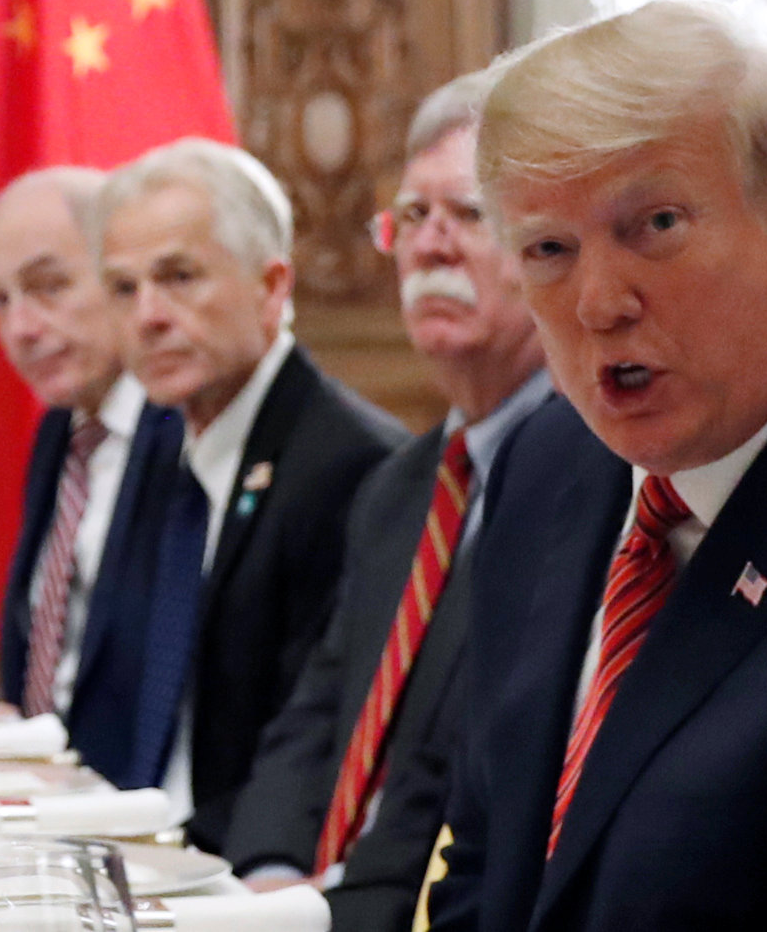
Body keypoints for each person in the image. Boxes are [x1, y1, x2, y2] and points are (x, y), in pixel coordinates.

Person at [429, 3, 767, 929]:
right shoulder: (550, 461)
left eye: (655, 224)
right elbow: (486, 869)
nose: (600, 303)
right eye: (550, 251)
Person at [222, 71, 553, 929]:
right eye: (411, 217)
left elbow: (462, 781)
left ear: (547, 246)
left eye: (468, 215)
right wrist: (265, 876)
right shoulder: (400, 486)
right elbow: (317, 714)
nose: (431, 246)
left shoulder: (589, 486)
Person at [91, 136, 403, 852]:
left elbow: (316, 750)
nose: (149, 316)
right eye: (123, 288)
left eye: (178, 277)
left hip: (245, 869)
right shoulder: (162, 441)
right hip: (146, 843)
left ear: (272, 287)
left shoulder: (353, 467)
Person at [0, 165, 185, 759]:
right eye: (0, 299)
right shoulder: (60, 435)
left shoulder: (187, 436)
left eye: (47, 286)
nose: (20, 328)